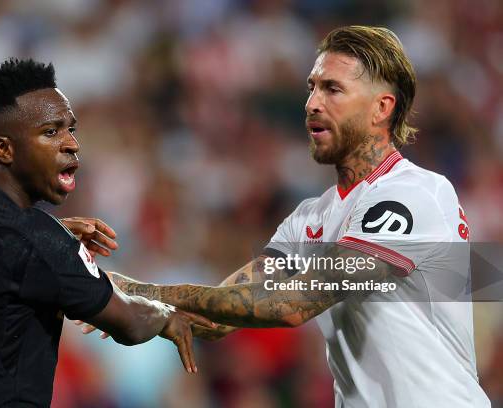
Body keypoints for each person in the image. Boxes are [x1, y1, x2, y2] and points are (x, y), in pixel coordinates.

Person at [98, 26, 491, 407]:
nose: (312, 104)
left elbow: (292, 304)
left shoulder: (414, 193)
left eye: (333, 89)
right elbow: (220, 315)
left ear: (381, 107)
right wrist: (102, 295)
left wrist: (151, 292)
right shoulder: (309, 218)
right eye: (312, 88)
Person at [0, 58, 213, 407]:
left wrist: (50, 240)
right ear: (3, 149)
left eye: (72, 129)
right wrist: (165, 315)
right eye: (51, 132)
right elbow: (129, 323)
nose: (72, 144)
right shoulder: (34, 239)